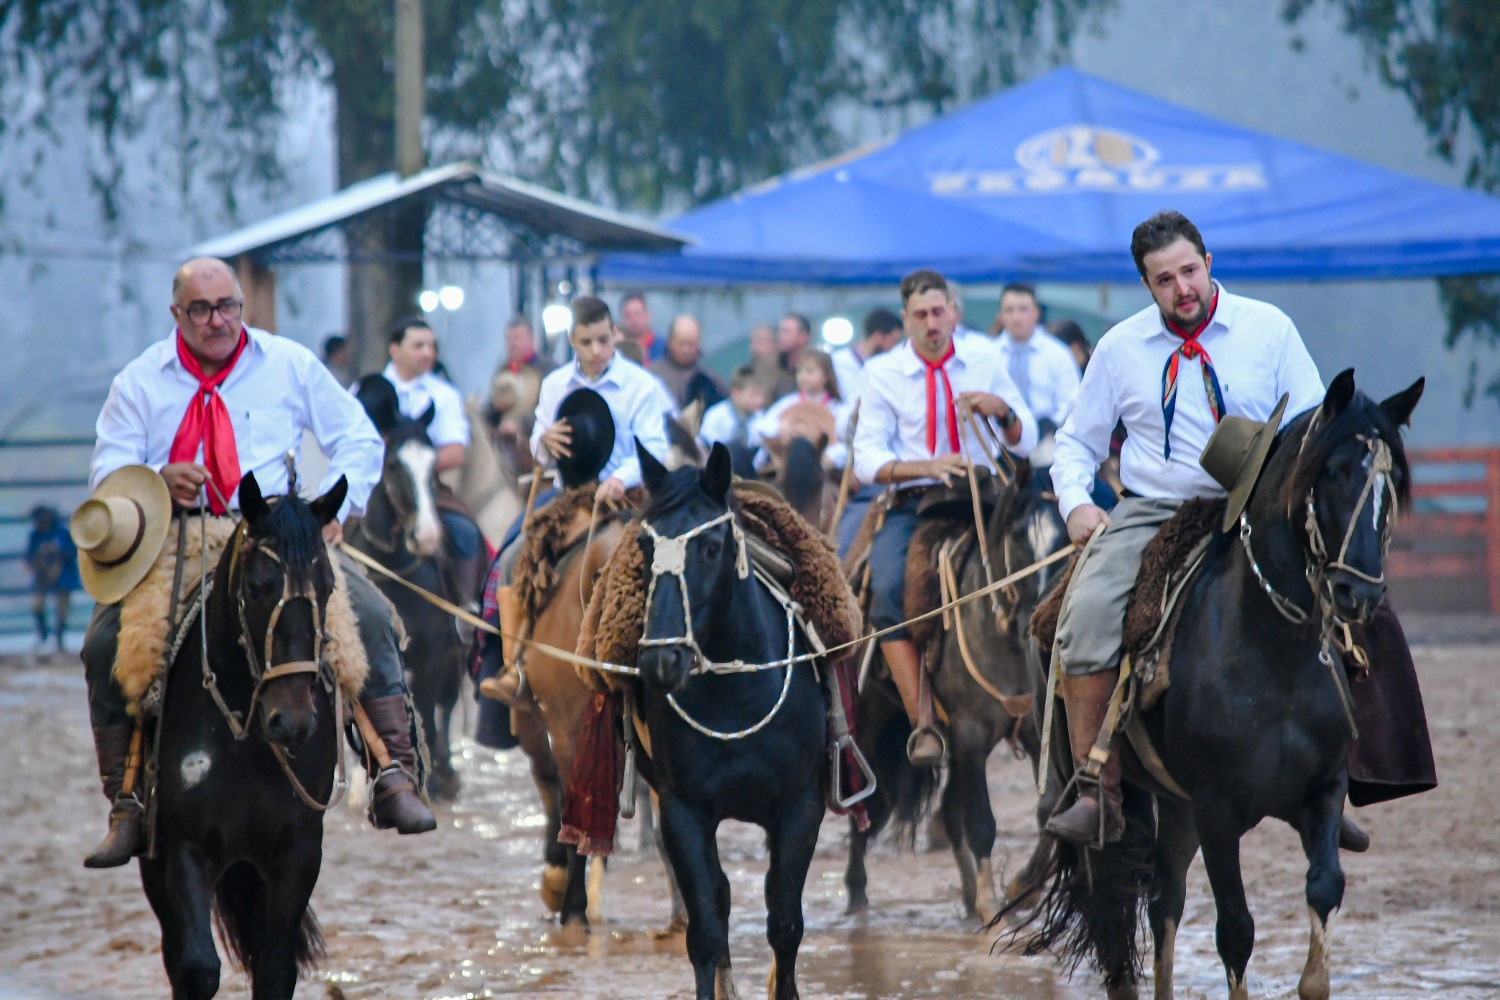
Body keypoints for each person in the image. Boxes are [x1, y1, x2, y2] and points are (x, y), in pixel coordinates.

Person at [79, 256, 435, 869]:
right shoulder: (140, 382)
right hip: (179, 540)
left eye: (227, 307)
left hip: (276, 533)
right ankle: (128, 799)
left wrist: (336, 511)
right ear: (177, 314)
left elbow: (357, 437)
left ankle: (390, 770)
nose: (217, 321)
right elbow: (106, 472)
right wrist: (156, 480)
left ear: (241, 306)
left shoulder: (288, 364)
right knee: (105, 641)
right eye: (201, 310)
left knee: (372, 617)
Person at [1046, 210, 1330, 844]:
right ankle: (1099, 790)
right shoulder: (1119, 347)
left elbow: (1314, 426)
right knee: (1084, 615)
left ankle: (1347, 773)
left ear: (1208, 263)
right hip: (1154, 513)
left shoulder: (1269, 329)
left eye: (1189, 271)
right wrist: (1077, 506)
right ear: (1148, 286)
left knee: (1354, 600)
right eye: (1164, 279)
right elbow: (1074, 444)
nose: (1182, 289)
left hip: (1261, 504)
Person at [853, 269, 1036, 766]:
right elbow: (866, 459)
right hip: (915, 502)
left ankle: (1045, 703)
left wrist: (1003, 410)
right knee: (888, 590)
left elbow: (1029, 438)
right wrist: (925, 466)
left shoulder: (986, 357)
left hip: (987, 498)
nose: (933, 324)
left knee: (1045, 567)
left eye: (939, 312)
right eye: (921, 316)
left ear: (953, 312)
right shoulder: (882, 373)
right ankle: (924, 722)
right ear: (906, 321)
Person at [480, 295, 674, 706]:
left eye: (604, 340)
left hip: (630, 494)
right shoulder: (555, 385)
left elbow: (654, 447)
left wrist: (621, 479)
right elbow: (539, 444)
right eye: (586, 342)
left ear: (615, 333)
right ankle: (511, 664)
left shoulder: (640, 384)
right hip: (570, 495)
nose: (597, 351)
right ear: (572, 339)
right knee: (514, 556)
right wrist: (543, 441)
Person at [378, 316, 485, 576]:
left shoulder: (445, 394)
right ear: (395, 350)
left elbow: (456, 451)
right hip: (376, 491)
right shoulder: (370, 389)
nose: (428, 353)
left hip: (428, 488)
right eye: (419, 346)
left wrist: (415, 465)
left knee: (466, 534)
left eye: (431, 346)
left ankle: (466, 608)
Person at [831, 308, 905, 555]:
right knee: (844, 547)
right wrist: (856, 413)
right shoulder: (871, 369)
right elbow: (841, 425)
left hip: (922, 481)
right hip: (874, 477)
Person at [992, 283, 1081, 435]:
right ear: (1000, 316)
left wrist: (1050, 427)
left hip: (1050, 440)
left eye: (1023, 309)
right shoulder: (989, 354)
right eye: (1009, 310)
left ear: (1036, 312)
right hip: (1000, 441)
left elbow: (1072, 401)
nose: (1016, 317)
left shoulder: (1057, 353)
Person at [753, 348, 851, 469]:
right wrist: (780, 427)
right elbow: (760, 428)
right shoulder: (789, 403)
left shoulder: (837, 410)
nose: (802, 376)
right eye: (799, 371)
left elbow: (846, 443)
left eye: (809, 371)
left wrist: (832, 456)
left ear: (826, 377)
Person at [26, 505, 79, 652]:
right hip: (42, 575)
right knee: (36, 604)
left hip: (62, 575)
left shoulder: (61, 533)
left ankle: (59, 636)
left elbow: (72, 551)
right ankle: (42, 631)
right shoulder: (35, 535)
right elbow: (29, 556)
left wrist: (56, 550)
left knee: (62, 606)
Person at [698, 365, 767, 475]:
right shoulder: (716, 415)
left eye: (762, 395)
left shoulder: (762, 418)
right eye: (754, 395)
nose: (760, 401)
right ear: (736, 393)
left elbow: (763, 450)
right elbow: (705, 442)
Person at [650, 313, 729, 410]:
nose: (686, 350)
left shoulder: (712, 381)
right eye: (681, 344)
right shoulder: (651, 375)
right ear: (670, 342)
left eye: (691, 344)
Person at [771, 313, 813, 399]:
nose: (780, 337)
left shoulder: (818, 366)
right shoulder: (771, 366)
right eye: (779, 331)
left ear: (803, 337)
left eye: (786, 332)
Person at [502, 314, 556, 379]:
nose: (512, 344)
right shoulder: (503, 372)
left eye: (517, 338)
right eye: (508, 338)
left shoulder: (549, 369)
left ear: (531, 339)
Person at [618, 290, 664, 363]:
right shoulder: (617, 351)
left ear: (648, 315)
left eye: (637, 314)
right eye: (628, 315)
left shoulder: (663, 348)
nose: (633, 319)